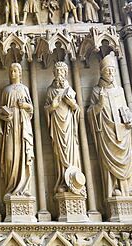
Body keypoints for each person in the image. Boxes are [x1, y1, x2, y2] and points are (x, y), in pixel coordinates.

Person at [88, 54, 132, 198]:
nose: (111, 73)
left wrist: (130, 120)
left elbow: (125, 109)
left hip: (123, 133)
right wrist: (99, 104)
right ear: (101, 72)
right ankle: (114, 188)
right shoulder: (97, 91)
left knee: (128, 160)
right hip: (107, 132)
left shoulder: (120, 90)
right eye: (107, 70)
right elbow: (91, 113)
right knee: (109, 161)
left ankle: (129, 189)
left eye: (112, 70)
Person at [45, 61, 83, 194]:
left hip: (69, 126)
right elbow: (47, 110)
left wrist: (73, 104)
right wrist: (52, 107)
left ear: (66, 73)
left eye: (61, 71)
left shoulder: (70, 90)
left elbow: (77, 110)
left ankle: (74, 182)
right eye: (57, 71)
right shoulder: (50, 91)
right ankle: (62, 180)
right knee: (59, 154)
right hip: (57, 126)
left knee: (72, 152)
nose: (59, 74)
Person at [0, 63, 34, 196]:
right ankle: (11, 187)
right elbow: (0, 110)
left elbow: (31, 109)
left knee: (23, 155)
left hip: (22, 125)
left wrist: (25, 105)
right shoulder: (6, 90)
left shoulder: (24, 89)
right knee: (9, 157)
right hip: (10, 127)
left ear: (20, 73)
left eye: (15, 71)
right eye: (11, 71)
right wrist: (4, 116)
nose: (12, 73)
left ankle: (23, 189)